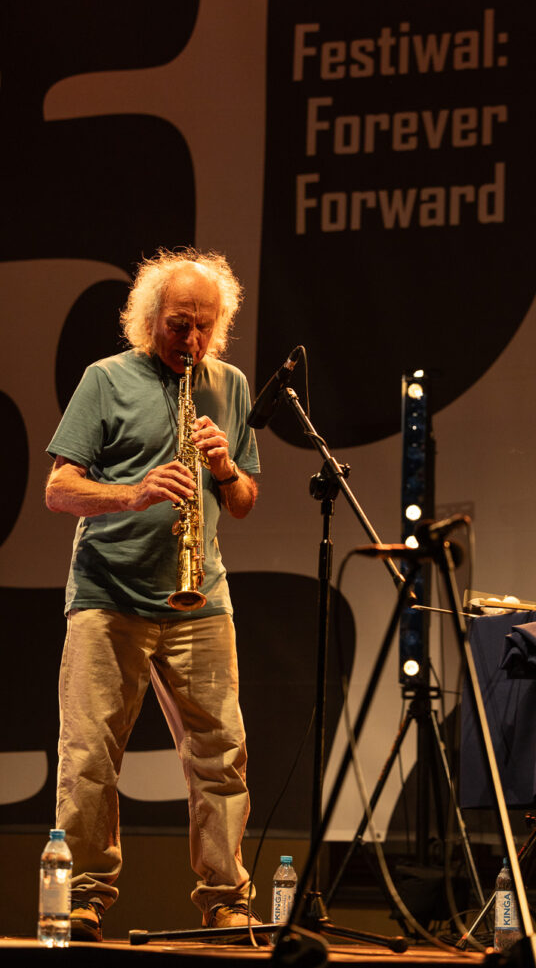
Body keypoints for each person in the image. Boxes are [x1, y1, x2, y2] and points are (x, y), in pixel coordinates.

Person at [45, 248, 261, 942]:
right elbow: (58, 489)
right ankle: (83, 897)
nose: (191, 340)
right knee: (88, 756)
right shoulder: (105, 379)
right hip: (108, 594)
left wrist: (224, 468)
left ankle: (226, 899)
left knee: (221, 753)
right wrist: (134, 493)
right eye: (178, 325)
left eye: (204, 326)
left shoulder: (229, 385)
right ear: (149, 319)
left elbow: (245, 501)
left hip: (200, 596)